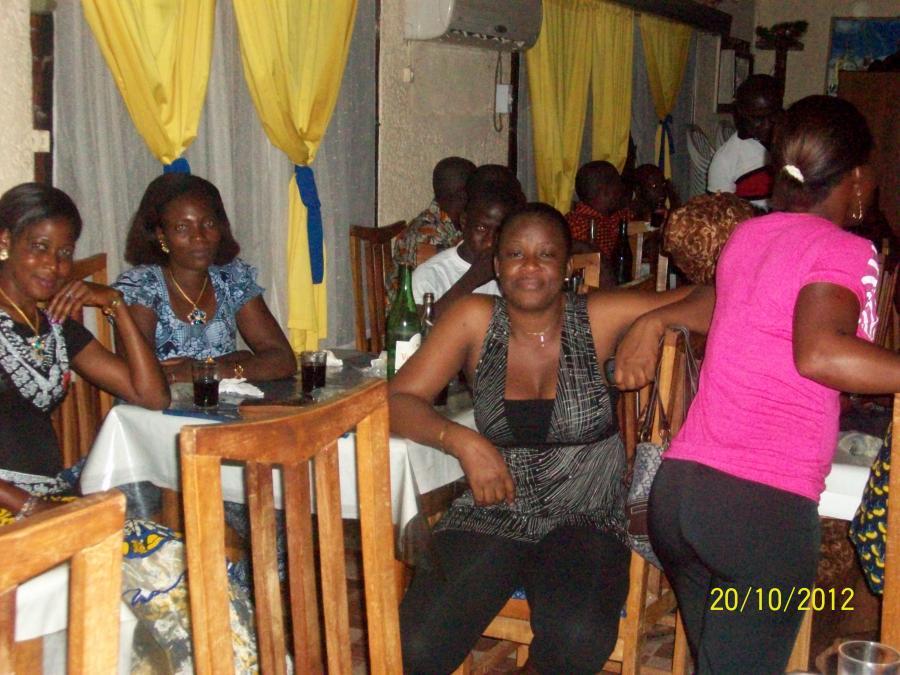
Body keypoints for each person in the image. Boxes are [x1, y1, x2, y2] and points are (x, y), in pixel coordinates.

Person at [632, 96, 900, 673]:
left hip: (681, 501)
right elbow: (820, 352)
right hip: (758, 514)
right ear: (857, 178)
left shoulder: (749, 237)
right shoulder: (846, 248)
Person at [391, 203, 712, 674]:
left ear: (566, 267)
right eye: (515, 254)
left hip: (588, 515)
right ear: (496, 265)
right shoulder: (472, 317)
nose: (530, 267)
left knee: (577, 640)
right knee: (415, 644)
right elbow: (397, 400)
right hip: (493, 510)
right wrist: (460, 440)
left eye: (545, 254)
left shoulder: (597, 315)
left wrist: (652, 322)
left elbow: (713, 297)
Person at [0, 181, 168, 516]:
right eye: (39, 247)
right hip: (15, 507)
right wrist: (34, 508)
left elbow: (151, 396)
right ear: (5, 242)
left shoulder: (56, 325)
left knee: (155, 543)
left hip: (49, 497)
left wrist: (115, 305)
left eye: (64, 253)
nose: (53, 265)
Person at [115, 174, 295, 383]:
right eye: (183, 227)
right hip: (161, 403)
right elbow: (138, 377)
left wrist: (211, 370)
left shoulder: (231, 277)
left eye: (208, 223)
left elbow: (283, 360)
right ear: (161, 235)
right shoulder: (141, 286)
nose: (199, 237)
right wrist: (238, 359)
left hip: (224, 401)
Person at [411, 189, 522, 319]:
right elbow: (420, 327)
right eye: (481, 228)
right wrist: (472, 279)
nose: (490, 241)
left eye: (499, 232)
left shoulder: (516, 268)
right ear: (464, 222)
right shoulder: (431, 274)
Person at [707, 74, 783, 208]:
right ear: (741, 114)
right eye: (758, 119)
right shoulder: (726, 160)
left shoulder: (795, 144)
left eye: (773, 115)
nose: (767, 125)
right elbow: (721, 215)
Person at [393, 156, 477, 270]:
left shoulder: (455, 225)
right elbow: (441, 280)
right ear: (462, 195)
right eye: (477, 190)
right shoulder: (425, 236)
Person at [565, 160, 629, 259]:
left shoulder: (618, 216)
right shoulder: (577, 224)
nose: (622, 188)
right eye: (618, 183)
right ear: (605, 190)